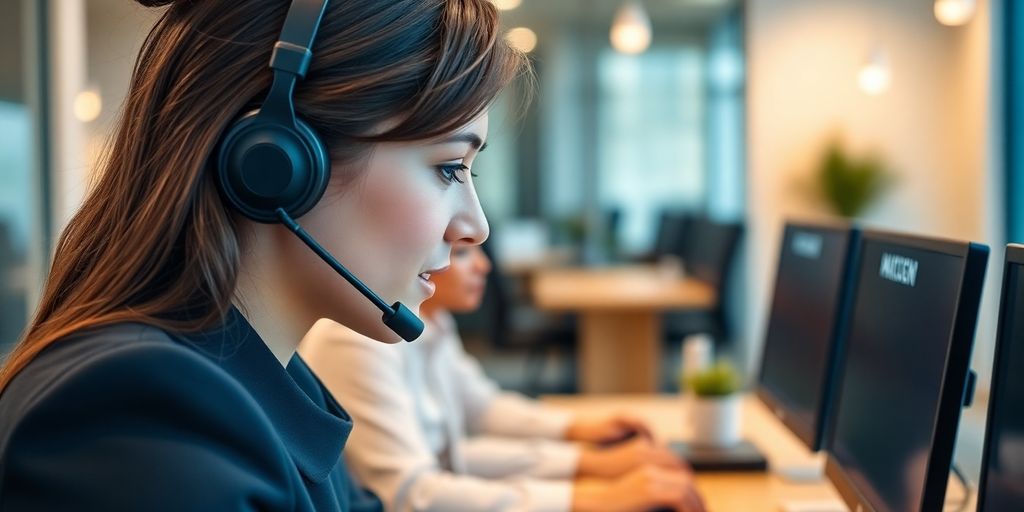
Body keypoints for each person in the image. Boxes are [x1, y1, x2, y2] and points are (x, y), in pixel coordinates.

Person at [0, 0, 523, 509]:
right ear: (276, 161)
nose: (475, 227)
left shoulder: (269, 381)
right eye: (450, 167)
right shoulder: (143, 417)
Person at [300, 245, 706, 512]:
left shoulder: (429, 324)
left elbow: (470, 424)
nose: (484, 264)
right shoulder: (356, 340)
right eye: (460, 253)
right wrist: (589, 495)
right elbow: (411, 494)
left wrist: (587, 454)